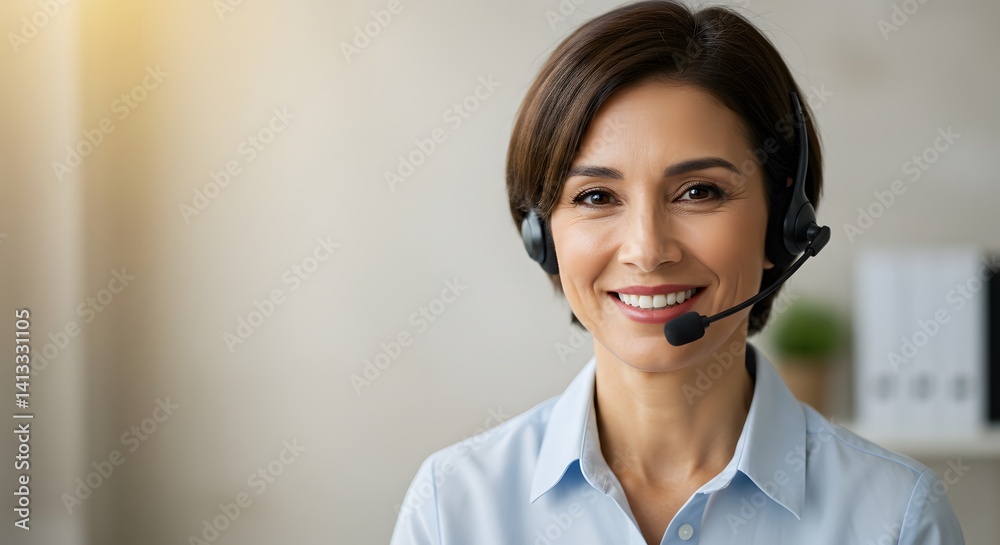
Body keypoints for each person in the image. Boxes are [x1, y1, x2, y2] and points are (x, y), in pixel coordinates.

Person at [390, 1, 965, 543]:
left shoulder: (894, 516)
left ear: (784, 225)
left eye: (698, 191)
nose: (647, 249)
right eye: (595, 196)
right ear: (543, 237)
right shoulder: (455, 506)